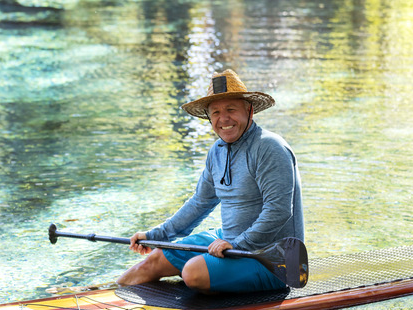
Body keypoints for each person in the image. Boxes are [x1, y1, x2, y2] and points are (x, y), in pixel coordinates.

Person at [116, 69, 304, 293]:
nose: (223, 119)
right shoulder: (217, 152)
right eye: (215, 112)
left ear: (249, 111)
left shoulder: (270, 148)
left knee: (192, 272)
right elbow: (199, 203)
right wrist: (156, 235)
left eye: (231, 109)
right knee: (152, 261)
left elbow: (279, 210)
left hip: (274, 259)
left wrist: (237, 244)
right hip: (228, 241)